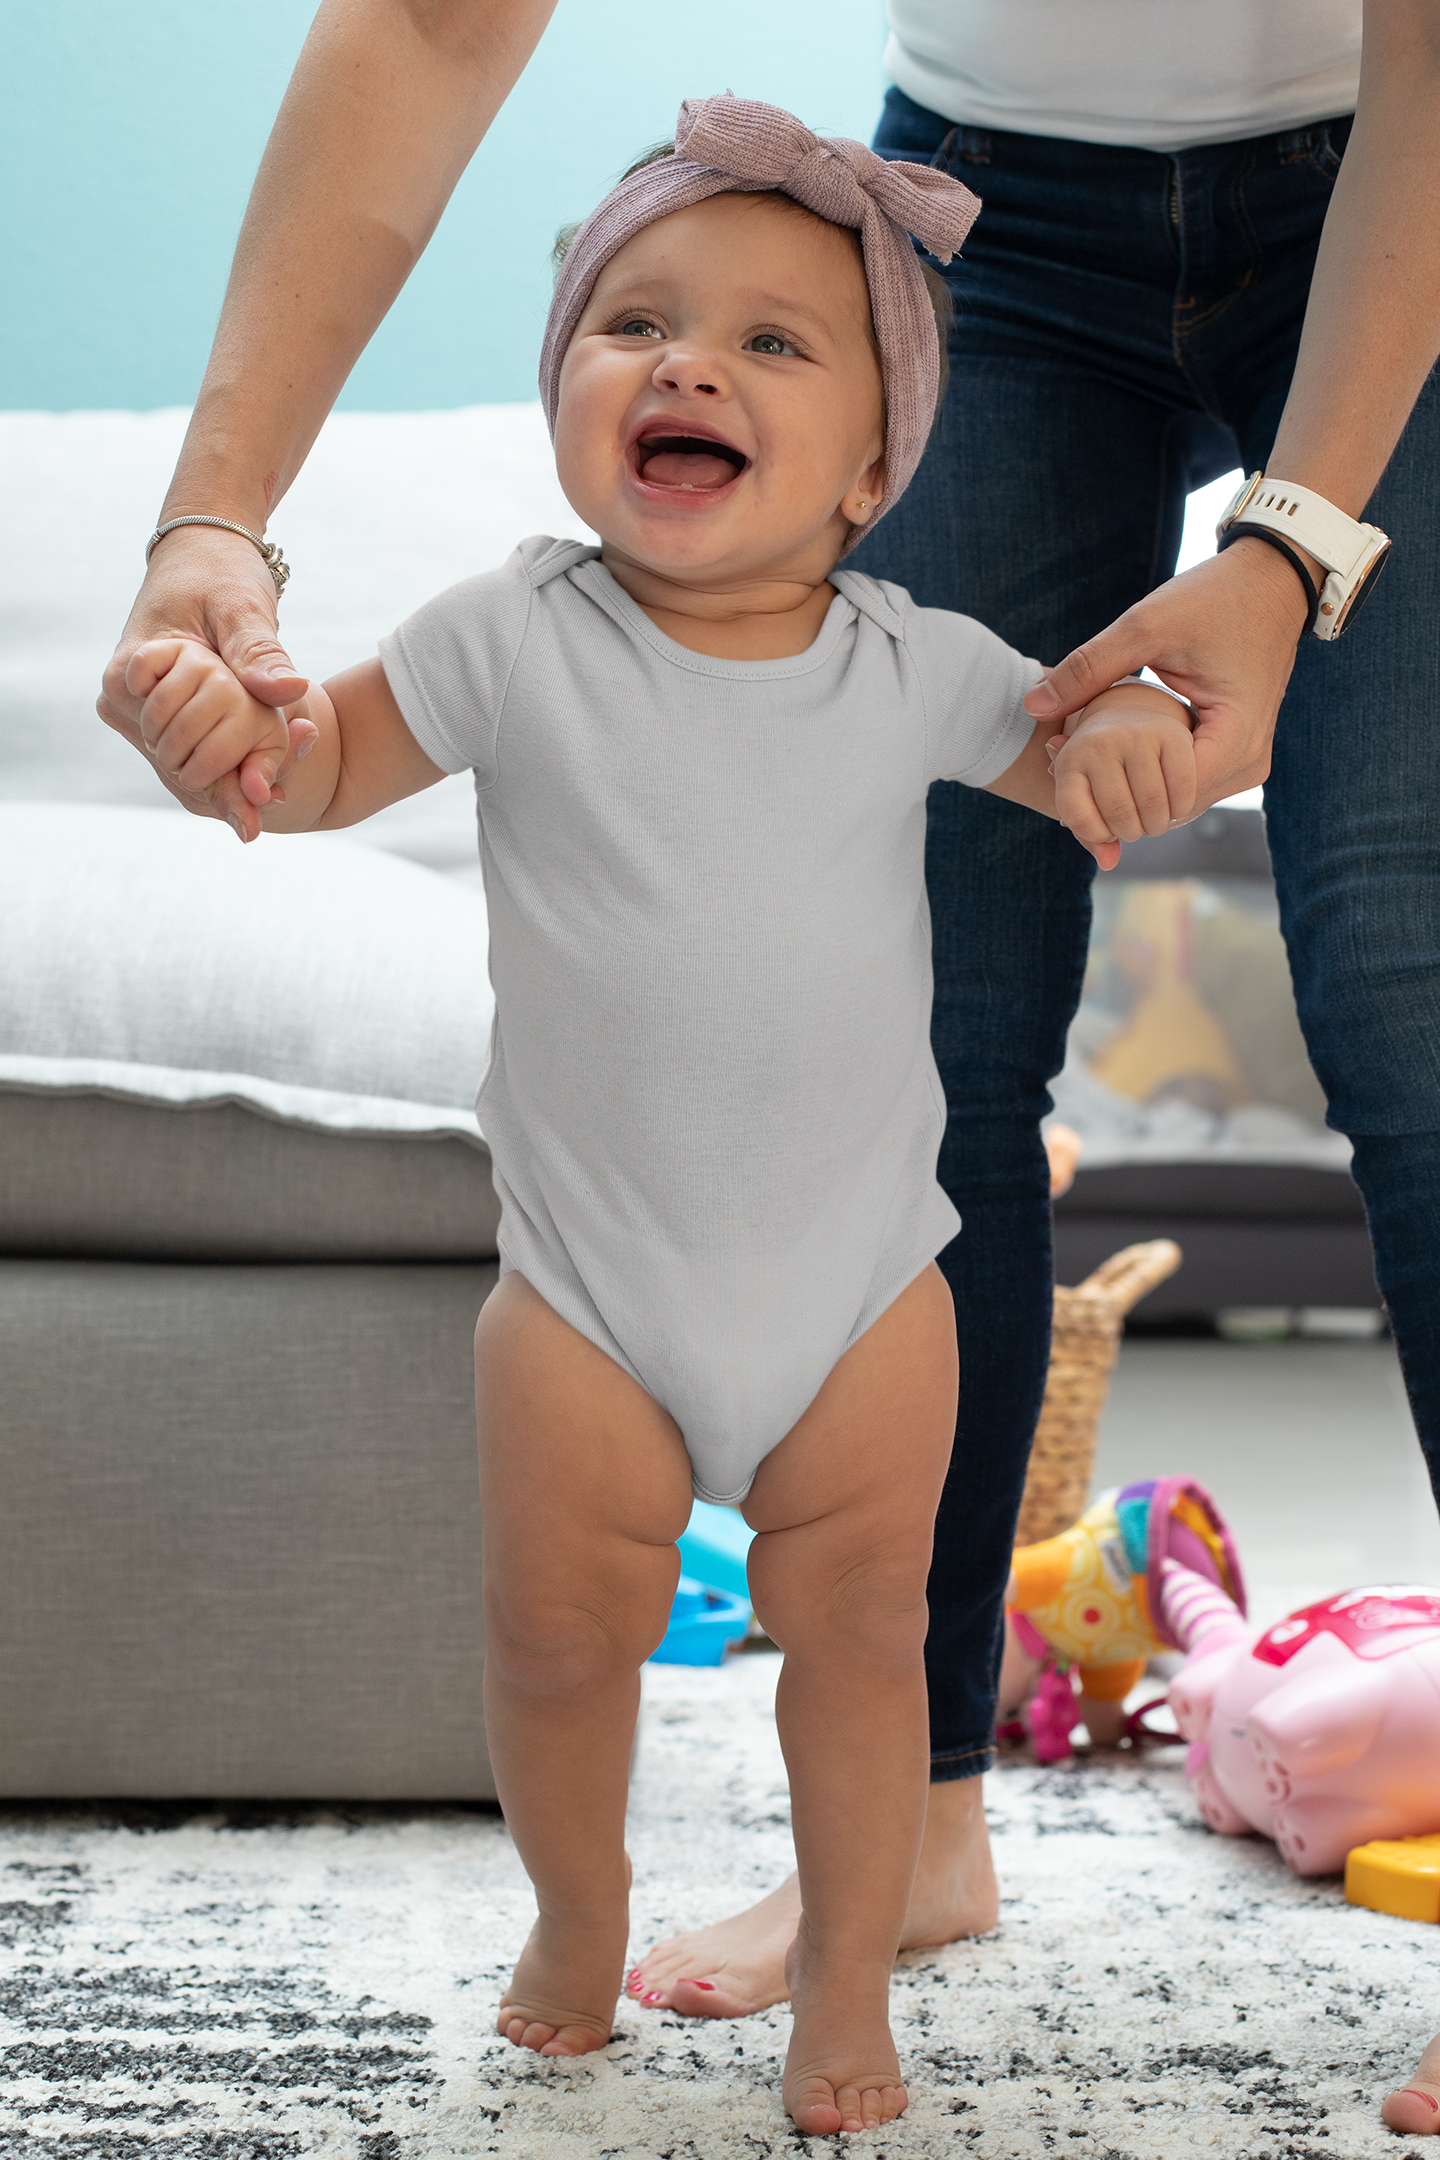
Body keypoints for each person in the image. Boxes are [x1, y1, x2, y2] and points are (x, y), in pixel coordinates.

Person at [98, 1, 1440, 2134]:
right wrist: (219, 593)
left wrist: (1222, 639)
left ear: (870, 470)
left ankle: (858, 1937)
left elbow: (1072, 735)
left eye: (759, 345)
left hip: (1396, 166)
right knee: (570, 1620)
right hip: (589, 1285)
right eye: (632, 324)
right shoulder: (505, 631)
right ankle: (789, 1877)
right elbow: (319, 743)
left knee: (1410, 976)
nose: (688, 368)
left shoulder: (911, 662)